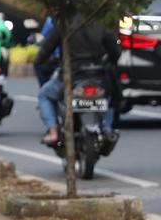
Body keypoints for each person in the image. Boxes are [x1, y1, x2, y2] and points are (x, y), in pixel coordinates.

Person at [35, 15, 120, 145]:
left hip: (71, 76)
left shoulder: (64, 23)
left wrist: (40, 60)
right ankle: (107, 129)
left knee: (44, 95)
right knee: (109, 97)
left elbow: (46, 50)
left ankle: (53, 132)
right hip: (97, 75)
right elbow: (115, 53)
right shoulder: (100, 23)